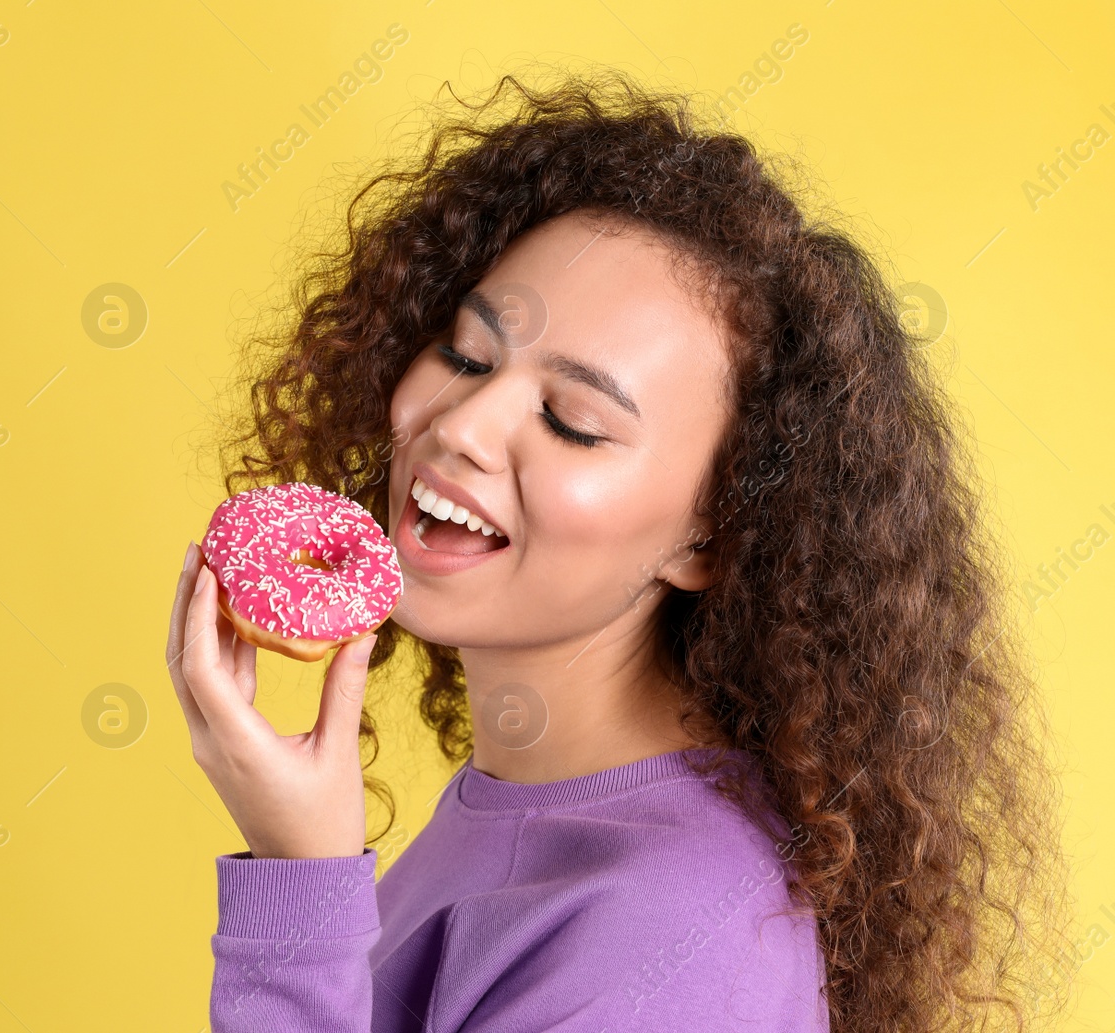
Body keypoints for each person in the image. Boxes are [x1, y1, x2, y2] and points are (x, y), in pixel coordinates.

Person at [165, 69, 1073, 1032]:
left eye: (571, 421)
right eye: (468, 355)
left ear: (711, 535)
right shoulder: (526, 804)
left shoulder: (673, 935)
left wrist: (301, 891)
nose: (463, 425)